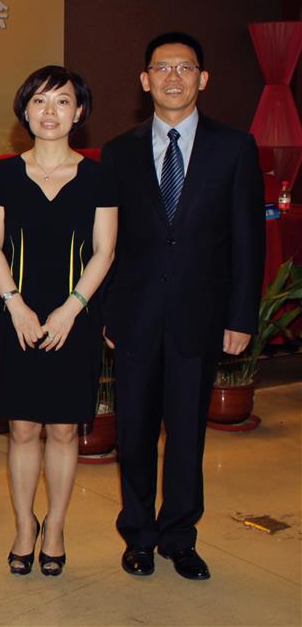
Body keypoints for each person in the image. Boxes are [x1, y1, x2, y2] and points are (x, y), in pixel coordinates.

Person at [101, 32, 264, 581]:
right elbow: (108, 244)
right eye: (162, 68)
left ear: (203, 78)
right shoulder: (119, 152)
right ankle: (138, 535)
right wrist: (108, 312)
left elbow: (248, 240)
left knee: (188, 433)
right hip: (135, 317)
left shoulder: (234, 148)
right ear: (144, 80)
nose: (174, 77)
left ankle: (179, 537)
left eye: (185, 67)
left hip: (201, 315)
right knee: (135, 433)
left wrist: (241, 316)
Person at [0, 66, 118, 577]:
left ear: (78, 112)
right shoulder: (4, 173)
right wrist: (15, 304)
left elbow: (105, 251)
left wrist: (71, 308)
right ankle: (25, 526)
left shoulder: (99, 176)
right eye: (39, 100)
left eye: (62, 101)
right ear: (25, 110)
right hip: (17, 316)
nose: (50, 111)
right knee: (22, 429)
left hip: (74, 319)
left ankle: (55, 527)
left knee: (63, 430)